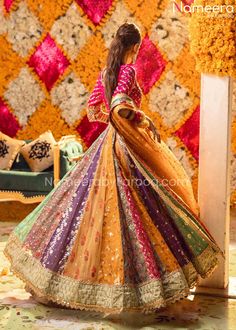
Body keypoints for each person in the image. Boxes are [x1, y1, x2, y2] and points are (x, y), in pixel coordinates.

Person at [4, 23, 224, 314]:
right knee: (137, 208)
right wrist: (143, 121)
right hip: (126, 146)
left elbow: (95, 108)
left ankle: (87, 280)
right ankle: (135, 285)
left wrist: (113, 120)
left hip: (109, 141)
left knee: (93, 210)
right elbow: (120, 105)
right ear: (134, 47)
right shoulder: (128, 70)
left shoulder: (105, 73)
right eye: (138, 47)